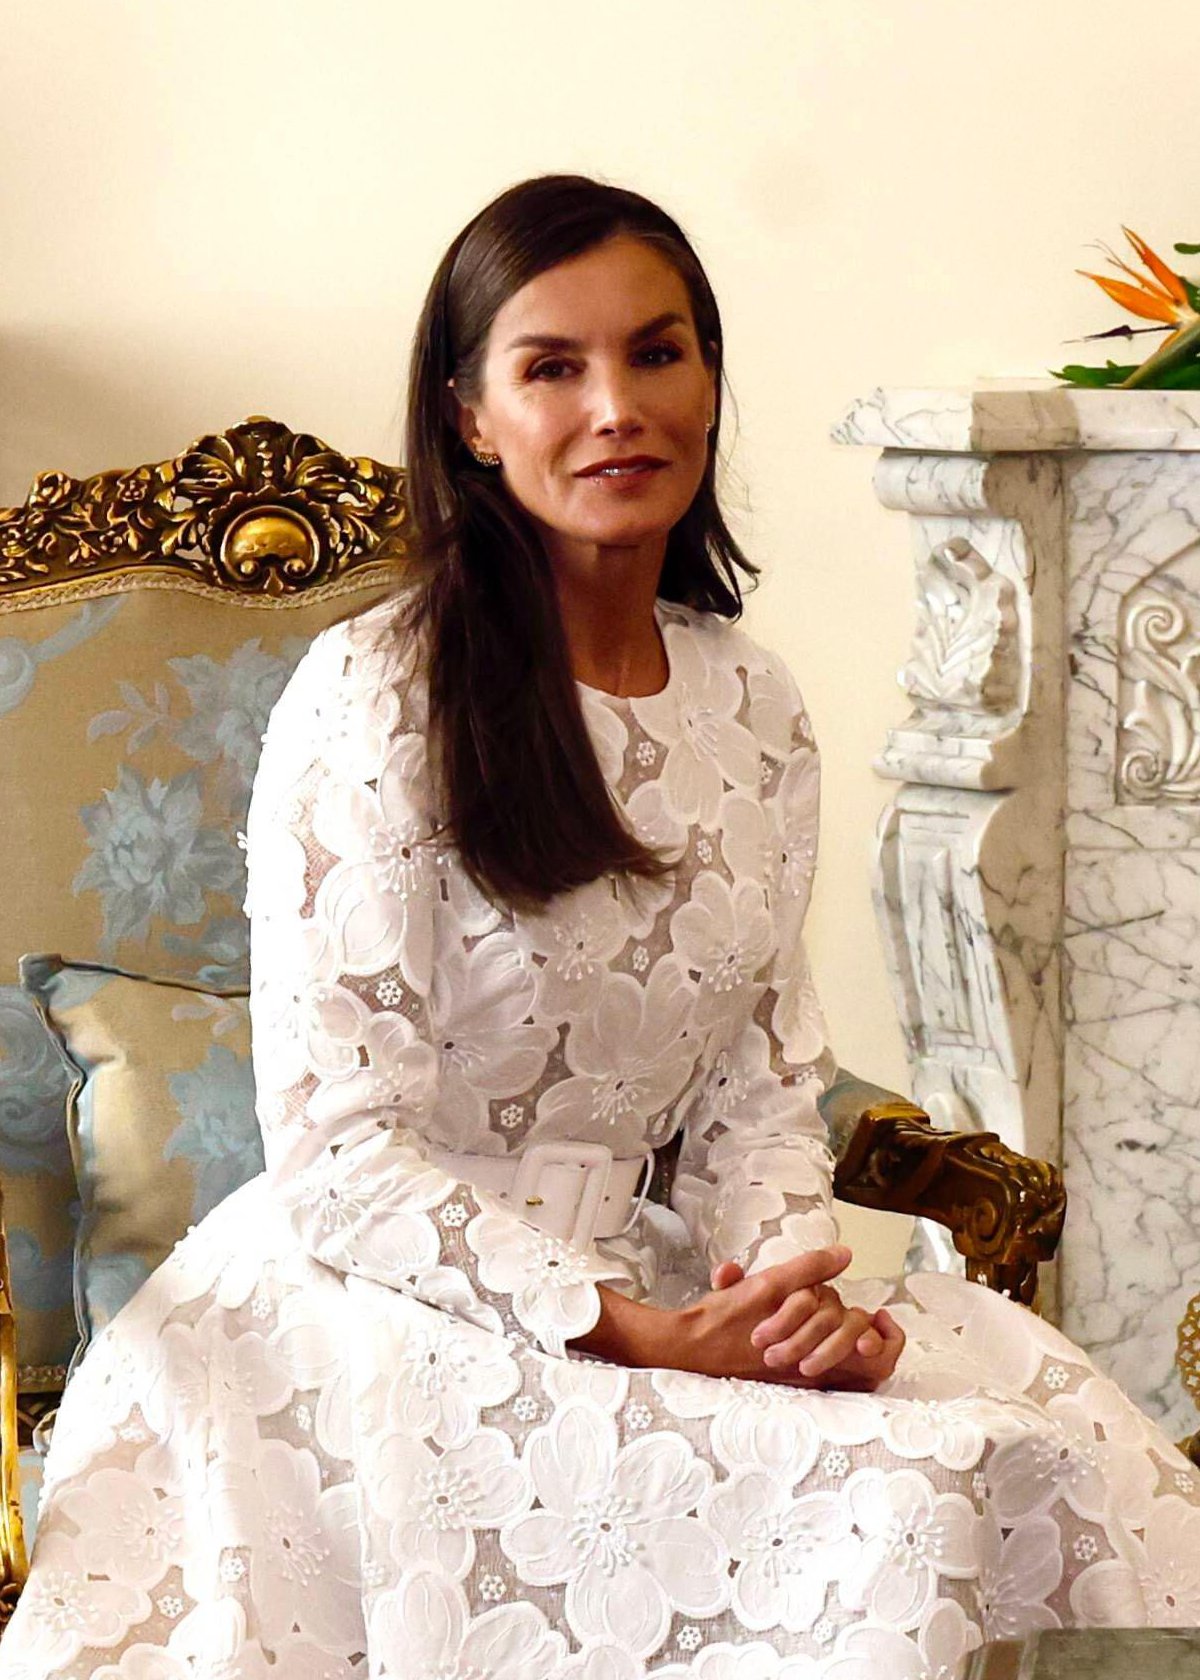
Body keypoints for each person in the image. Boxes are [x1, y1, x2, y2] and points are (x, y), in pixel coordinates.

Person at [4, 175, 1199, 1680]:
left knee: (1005, 1440)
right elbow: (341, 1151)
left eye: (658, 351)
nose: (618, 406)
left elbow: (762, 1092)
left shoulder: (753, 704)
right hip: (380, 1308)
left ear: (710, 379)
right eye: (552, 366)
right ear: (470, 417)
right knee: (894, 1506)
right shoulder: (377, 694)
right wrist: (626, 1332)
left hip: (661, 1281)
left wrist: (789, 1311)